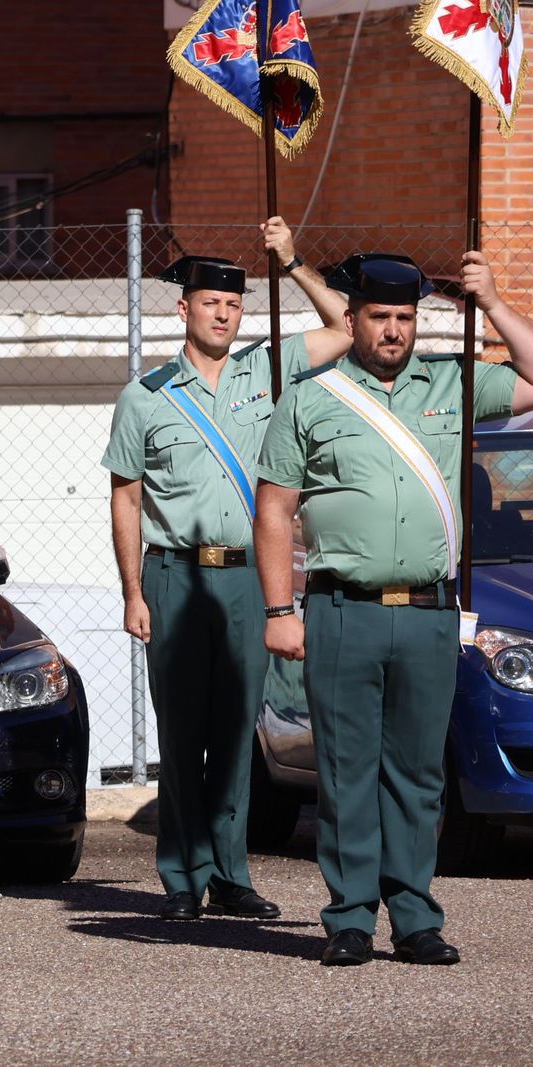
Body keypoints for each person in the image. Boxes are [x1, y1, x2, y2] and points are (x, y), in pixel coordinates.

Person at [256, 252, 533, 966]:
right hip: (344, 609)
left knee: (418, 773)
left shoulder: (454, 381)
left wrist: (497, 304)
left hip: (430, 614)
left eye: (405, 317)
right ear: (351, 320)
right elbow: (274, 509)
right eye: (379, 316)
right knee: (347, 770)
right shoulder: (311, 398)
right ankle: (350, 916)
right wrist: (280, 608)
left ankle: (415, 917)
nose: (393, 330)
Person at [100, 218, 349, 922]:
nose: (225, 313)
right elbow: (125, 496)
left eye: (235, 303)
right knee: (182, 732)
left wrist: (294, 261)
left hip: (247, 577)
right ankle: (182, 876)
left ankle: (231, 871)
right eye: (211, 302)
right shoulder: (145, 396)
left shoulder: (266, 368)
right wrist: (131, 591)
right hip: (175, 577)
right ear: (184, 309)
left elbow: (346, 325)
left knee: (239, 728)